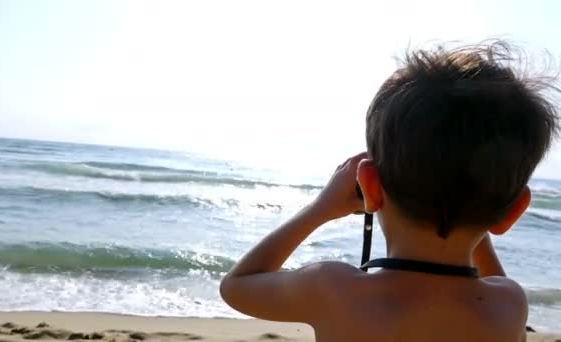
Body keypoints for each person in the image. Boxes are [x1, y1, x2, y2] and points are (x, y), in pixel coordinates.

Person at [219, 41, 559, 342]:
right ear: (513, 210)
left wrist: (321, 208)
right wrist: (471, 205)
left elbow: (237, 285)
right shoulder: (508, 306)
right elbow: (494, 279)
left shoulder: (333, 289)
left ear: (369, 184)